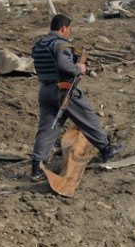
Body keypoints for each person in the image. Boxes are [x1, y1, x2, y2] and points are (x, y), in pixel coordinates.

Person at [29, 14, 122, 181]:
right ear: (64, 28)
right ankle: (107, 150)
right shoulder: (60, 45)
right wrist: (78, 68)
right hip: (64, 91)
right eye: (69, 29)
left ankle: (37, 167)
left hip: (45, 91)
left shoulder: (39, 44)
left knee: (47, 129)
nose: (68, 32)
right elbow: (65, 65)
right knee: (88, 119)